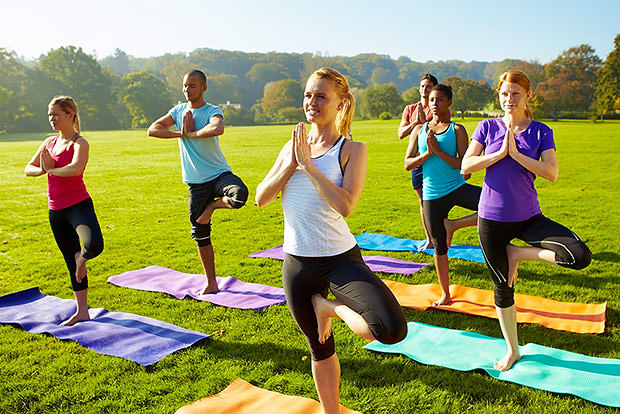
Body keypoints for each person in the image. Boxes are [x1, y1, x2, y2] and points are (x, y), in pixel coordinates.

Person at [255, 67, 407, 414]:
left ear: (341, 103)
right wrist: (290, 164)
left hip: (340, 260)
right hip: (297, 263)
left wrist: (309, 167)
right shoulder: (291, 146)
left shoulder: (352, 149)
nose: (312, 101)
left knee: (387, 328)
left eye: (321, 95)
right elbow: (261, 198)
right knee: (319, 347)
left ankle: (329, 307)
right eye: (308, 94)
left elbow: (346, 205)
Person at [461, 70, 592, 371]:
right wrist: (498, 154)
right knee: (502, 287)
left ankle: (517, 253)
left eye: (515, 93)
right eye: (504, 93)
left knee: (578, 255)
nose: (509, 99)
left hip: (529, 217)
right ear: (499, 94)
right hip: (491, 220)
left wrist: (517, 155)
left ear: (527, 95)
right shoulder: (486, 126)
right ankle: (512, 349)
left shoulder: (541, 131)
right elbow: (466, 166)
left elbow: (551, 172)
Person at [147, 70, 248, 295]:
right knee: (200, 232)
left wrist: (192, 134)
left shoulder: (212, 110)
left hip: (219, 174)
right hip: (196, 182)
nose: (187, 90)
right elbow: (152, 129)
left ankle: (211, 207)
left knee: (239, 195)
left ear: (203, 87)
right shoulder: (178, 110)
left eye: (192, 86)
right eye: (185, 86)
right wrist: (181, 134)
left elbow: (217, 127)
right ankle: (211, 283)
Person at [25, 96, 104, 326]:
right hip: (56, 211)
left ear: (71, 115)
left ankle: (83, 258)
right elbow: (28, 169)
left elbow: (75, 169)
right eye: (50, 115)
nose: (52, 119)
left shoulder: (80, 143)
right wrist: (44, 169)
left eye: (56, 114)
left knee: (94, 245)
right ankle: (82, 311)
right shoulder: (48, 142)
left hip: (78, 205)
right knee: (70, 260)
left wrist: (52, 169)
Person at [404, 84, 480, 306]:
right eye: (431, 100)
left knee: (496, 206)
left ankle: (454, 225)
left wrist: (438, 152)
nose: (434, 104)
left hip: (457, 187)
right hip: (431, 195)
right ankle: (445, 294)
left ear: (449, 103)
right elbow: (408, 163)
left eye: (440, 100)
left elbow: (466, 168)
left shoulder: (457, 130)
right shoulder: (418, 131)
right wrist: (427, 153)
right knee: (439, 246)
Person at [398, 74, 443, 250]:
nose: (425, 89)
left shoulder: (438, 106)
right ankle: (430, 240)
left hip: (434, 159)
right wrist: (415, 124)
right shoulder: (409, 109)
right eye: (422, 86)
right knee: (422, 201)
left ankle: (441, 235)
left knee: (436, 200)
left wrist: (425, 123)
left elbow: (443, 129)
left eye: (429, 86)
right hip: (416, 160)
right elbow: (400, 133)